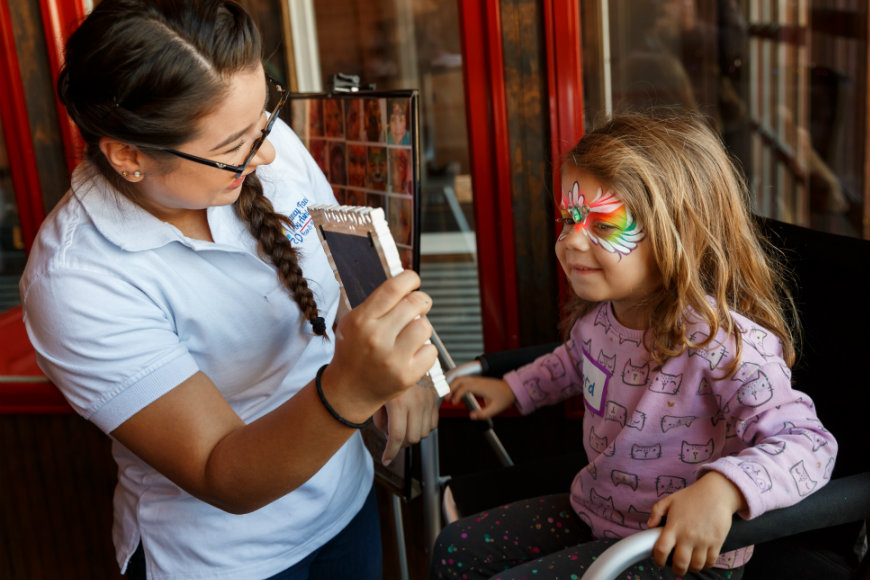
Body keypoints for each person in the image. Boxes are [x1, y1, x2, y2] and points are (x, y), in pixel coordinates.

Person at [20, 1, 440, 579]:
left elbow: (344, 270)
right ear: (129, 156)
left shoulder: (255, 142)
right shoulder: (75, 281)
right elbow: (223, 473)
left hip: (345, 501)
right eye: (231, 148)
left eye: (265, 120)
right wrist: (355, 388)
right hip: (226, 556)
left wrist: (405, 368)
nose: (267, 151)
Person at [430, 112, 837, 580]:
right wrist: (517, 389)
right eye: (569, 218)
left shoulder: (724, 343)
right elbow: (576, 361)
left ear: (680, 232)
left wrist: (725, 490)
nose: (570, 242)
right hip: (599, 515)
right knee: (454, 548)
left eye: (603, 226)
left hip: (677, 552)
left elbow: (810, 443)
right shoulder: (602, 316)